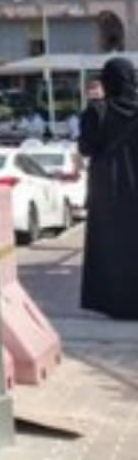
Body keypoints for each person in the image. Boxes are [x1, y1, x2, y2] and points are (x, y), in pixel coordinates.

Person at [79, 57, 138, 319]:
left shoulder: (97, 111)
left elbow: (86, 148)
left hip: (108, 189)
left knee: (111, 248)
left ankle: (115, 304)